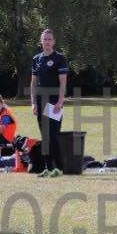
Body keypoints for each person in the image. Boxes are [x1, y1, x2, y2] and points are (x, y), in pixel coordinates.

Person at [30, 28, 68, 178]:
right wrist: (33, 102)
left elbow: (63, 82)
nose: (47, 42)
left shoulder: (59, 58)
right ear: (41, 41)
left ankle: (58, 168)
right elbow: (34, 83)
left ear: (54, 41)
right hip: (41, 100)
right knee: (44, 136)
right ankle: (48, 168)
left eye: (49, 39)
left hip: (53, 101)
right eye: (44, 39)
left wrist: (60, 101)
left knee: (53, 135)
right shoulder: (36, 59)